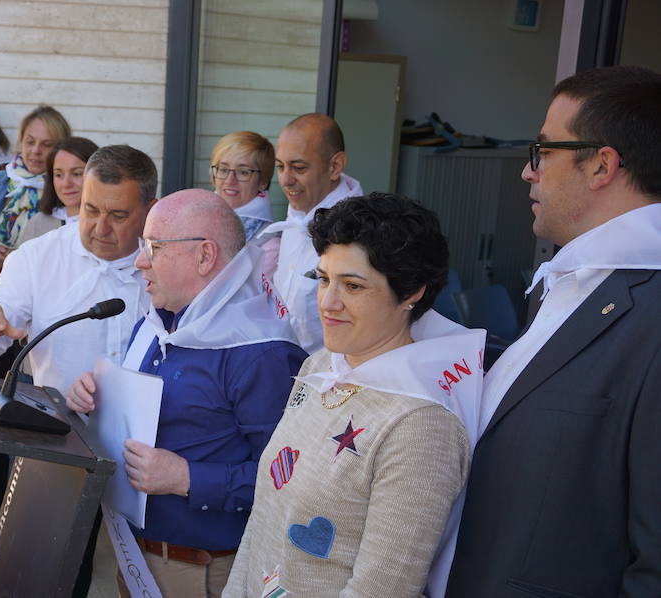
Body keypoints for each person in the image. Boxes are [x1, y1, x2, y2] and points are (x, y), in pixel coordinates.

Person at [445, 66, 661, 597]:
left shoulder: (650, 311)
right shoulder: (572, 282)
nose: (528, 171)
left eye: (542, 151)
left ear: (602, 165)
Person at [223, 193, 475, 598]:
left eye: (353, 286)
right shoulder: (319, 366)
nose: (328, 302)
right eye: (323, 279)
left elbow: (383, 588)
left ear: (411, 292)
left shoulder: (423, 425)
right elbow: (263, 520)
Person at [67, 189, 307, 598]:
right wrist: (93, 397)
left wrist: (187, 478)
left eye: (154, 247)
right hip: (133, 548)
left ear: (204, 256)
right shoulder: (158, 323)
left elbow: (290, 478)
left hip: (199, 570)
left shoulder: (261, 353)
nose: (139, 260)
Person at [0, 144, 157, 597]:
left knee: (147, 579)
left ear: (149, 209)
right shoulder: (37, 258)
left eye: (118, 215)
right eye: (90, 210)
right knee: (55, 579)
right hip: (61, 447)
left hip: (149, 457)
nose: (99, 228)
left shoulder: (166, 263)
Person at [260, 113, 362, 354]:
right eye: (280, 166)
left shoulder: (360, 234)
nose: (285, 180)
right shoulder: (299, 210)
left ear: (335, 166)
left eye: (299, 168)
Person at [0, 104, 71, 289]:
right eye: (30, 142)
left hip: (44, 289)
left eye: (46, 145)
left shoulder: (67, 189)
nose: (36, 150)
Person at [19, 136, 99, 244]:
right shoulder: (38, 224)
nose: (66, 184)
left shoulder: (107, 225)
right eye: (58, 175)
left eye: (77, 173)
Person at [209, 131, 275, 241]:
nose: (230, 181)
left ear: (263, 182)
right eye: (223, 170)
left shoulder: (268, 239)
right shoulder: (195, 214)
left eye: (243, 172)